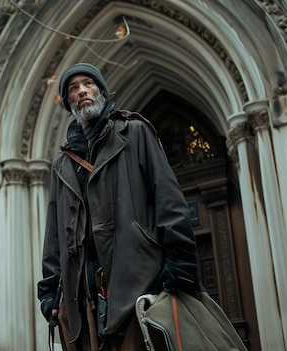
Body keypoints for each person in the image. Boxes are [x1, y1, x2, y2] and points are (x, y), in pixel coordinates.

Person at [37, 63, 199, 351]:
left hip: (138, 281)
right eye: (73, 89)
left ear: (101, 90)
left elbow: (168, 197)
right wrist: (50, 291)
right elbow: (54, 235)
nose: (82, 91)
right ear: (68, 102)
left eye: (88, 83)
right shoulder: (62, 164)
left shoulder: (134, 132)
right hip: (83, 292)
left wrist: (179, 259)